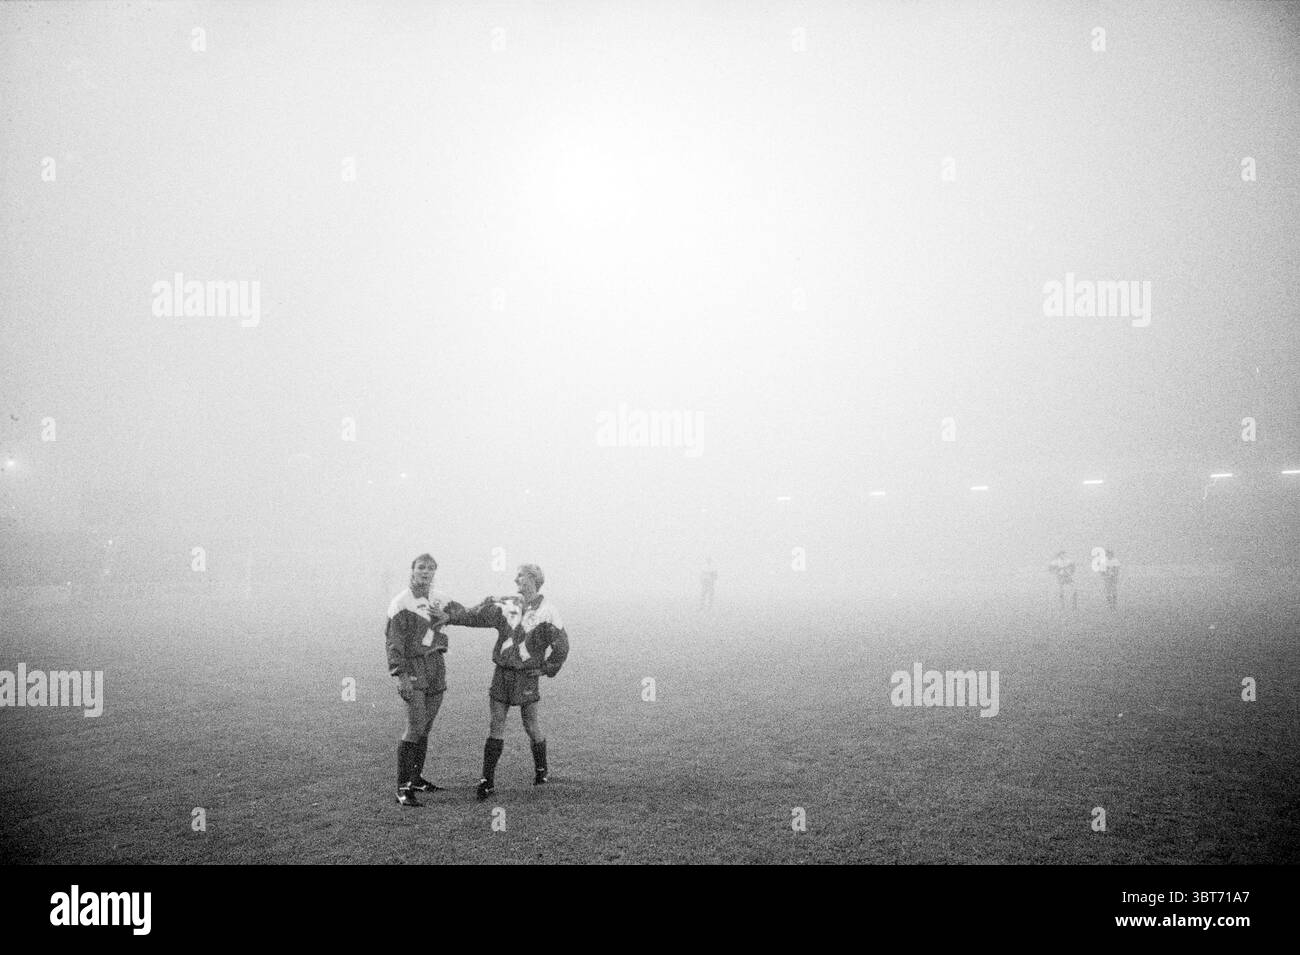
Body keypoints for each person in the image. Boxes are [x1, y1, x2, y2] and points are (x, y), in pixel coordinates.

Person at [446, 563, 569, 801]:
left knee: (530, 725)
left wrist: (545, 669)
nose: (515, 580)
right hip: (502, 673)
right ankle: (487, 780)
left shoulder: (548, 611)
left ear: (533, 580)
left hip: (527, 676)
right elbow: (475, 616)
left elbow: (561, 646)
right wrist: (450, 617)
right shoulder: (508, 605)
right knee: (496, 724)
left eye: (520, 576)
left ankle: (541, 771)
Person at [385, 554, 463, 807]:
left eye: (430, 568)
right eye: (421, 567)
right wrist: (400, 675)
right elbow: (393, 643)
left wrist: (448, 616)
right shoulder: (401, 603)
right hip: (414, 666)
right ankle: (402, 788)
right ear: (412, 570)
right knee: (415, 726)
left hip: (436, 665)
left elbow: (466, 614)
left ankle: (416, 779)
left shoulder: (439, 598)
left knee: (426, 727)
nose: (426, 572)